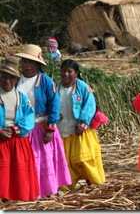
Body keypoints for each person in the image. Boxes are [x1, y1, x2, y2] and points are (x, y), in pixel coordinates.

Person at [15, 44, 71, 198]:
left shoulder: (45, 81)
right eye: (25, 62)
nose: (27, 66)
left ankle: (44, 190)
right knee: (24, 161)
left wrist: (50, 128)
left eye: (31, 62)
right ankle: (25, 190)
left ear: (37, 64)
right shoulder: (16, 80)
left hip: (40, 128)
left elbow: (54, 103)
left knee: (43, 161)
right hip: (21, 129)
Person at [57, 59, 105, 189]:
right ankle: (66, 188)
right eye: (63, 71)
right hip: (63, 131)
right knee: (66, 162)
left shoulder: (82, 87)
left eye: (70, 71)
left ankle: (93, 184)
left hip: (80, 131)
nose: (66, 74)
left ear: (76, 73)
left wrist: (82, 124)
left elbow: (90, 106)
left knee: (83, 159)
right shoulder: (55, 87)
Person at [0, 56, 40, 201]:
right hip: (0, 140)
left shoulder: (21, 98)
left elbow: (29, 117)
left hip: (17, 141)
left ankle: (14, 197)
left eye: (11, 78)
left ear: (16, 80)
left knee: (17, 173)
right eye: (4, 77)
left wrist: (14, 130)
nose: (7, 81)